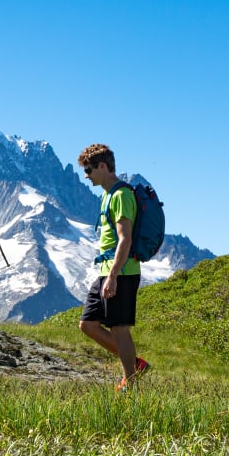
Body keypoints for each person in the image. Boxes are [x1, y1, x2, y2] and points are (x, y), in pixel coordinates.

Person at [76, 144, 149, 392]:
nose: (86, 176)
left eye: (89, 170)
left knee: (119, 328)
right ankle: (134, 364)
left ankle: (130, 383)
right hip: (107, 271)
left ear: (103, 167)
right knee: (87, 324)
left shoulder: (121, 196)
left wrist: (114, 276)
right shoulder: (107, 195)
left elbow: (125, 238)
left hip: (122, 272)